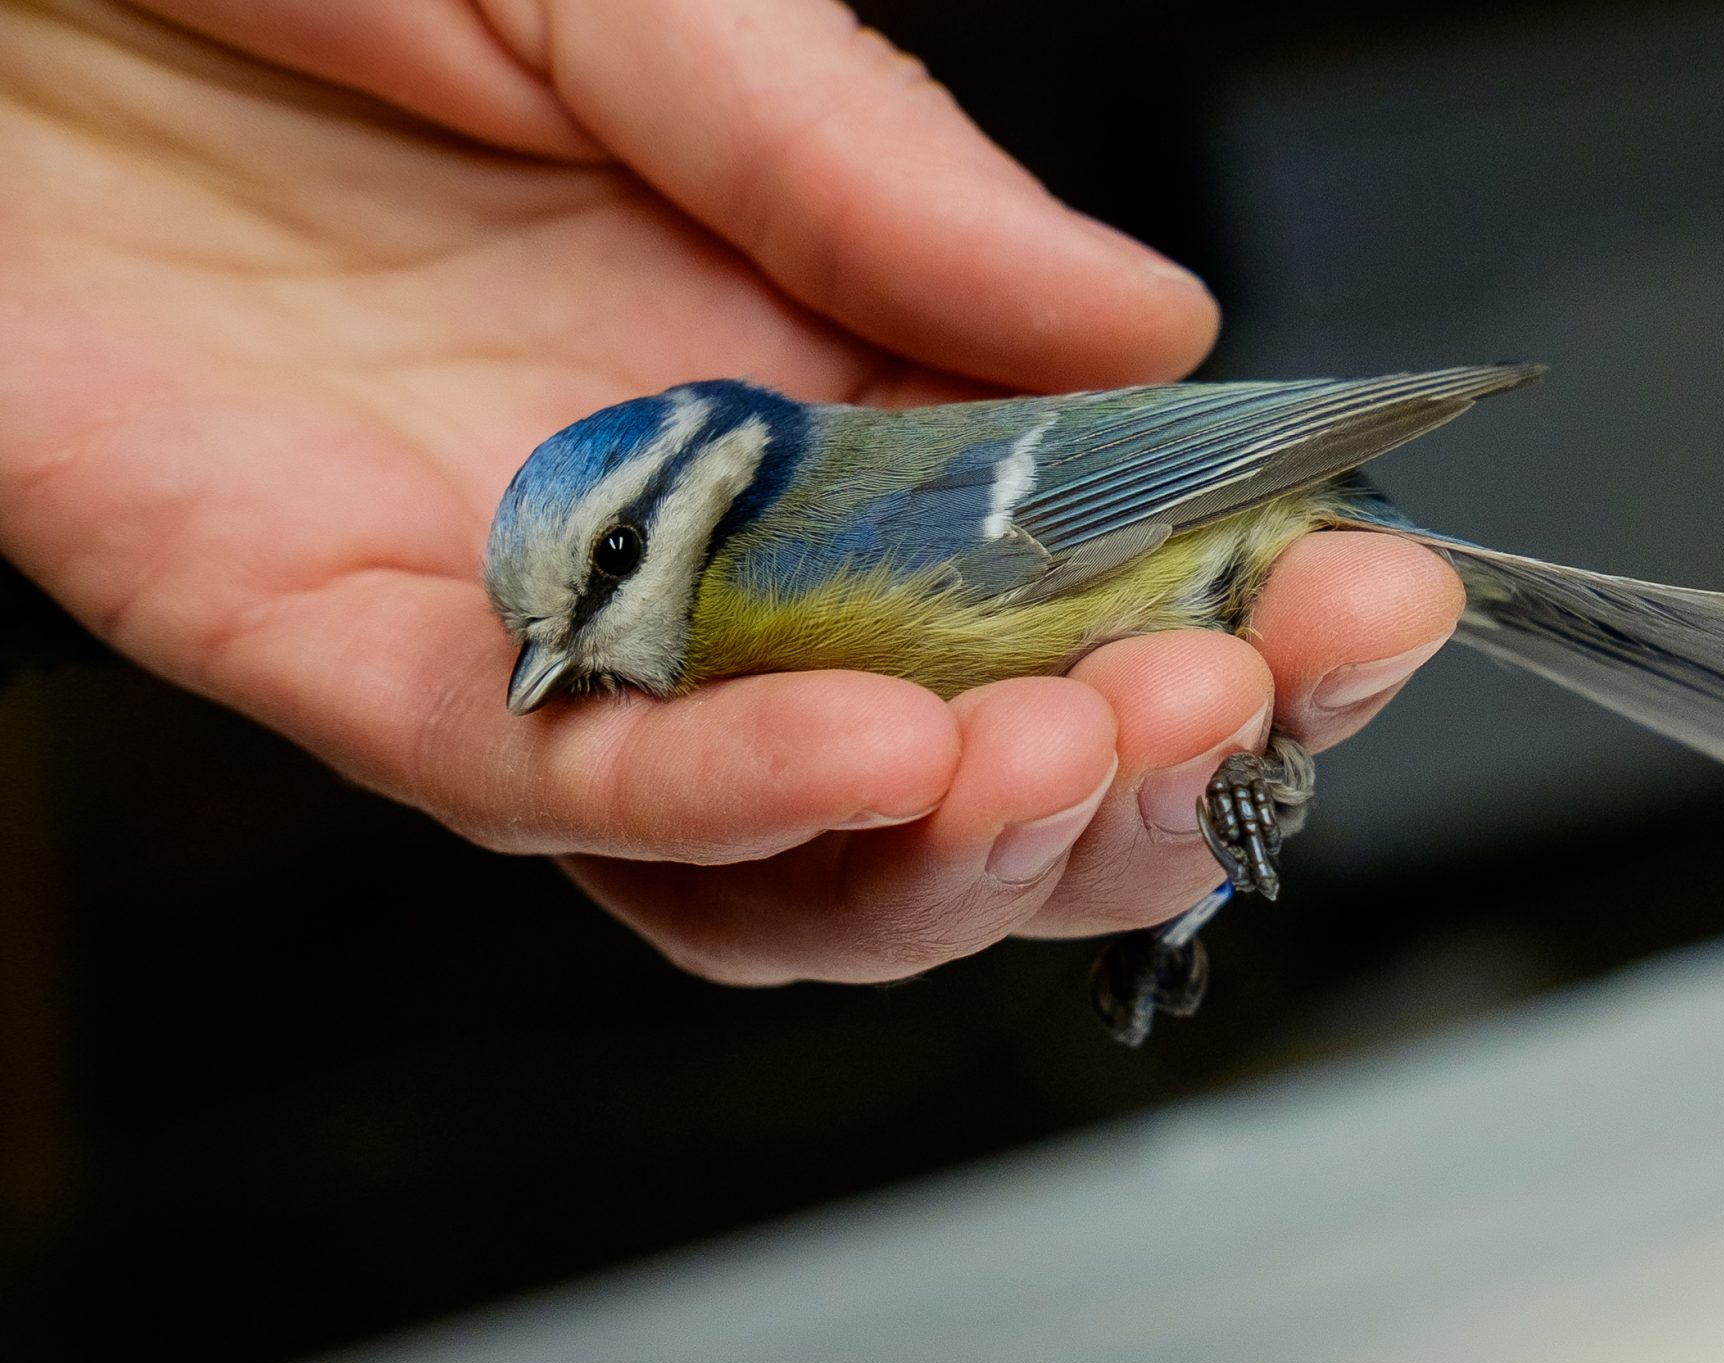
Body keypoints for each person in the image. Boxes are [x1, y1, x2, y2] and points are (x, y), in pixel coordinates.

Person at [0, 0, 1465, 986]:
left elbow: (1122, 466)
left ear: (682, 518)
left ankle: (1218, 854)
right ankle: (1207, 874)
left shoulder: (777, 584)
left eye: (603, 568)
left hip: (1217, 513)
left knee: (1209, 705)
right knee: (1147, 758)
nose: (548, 662)